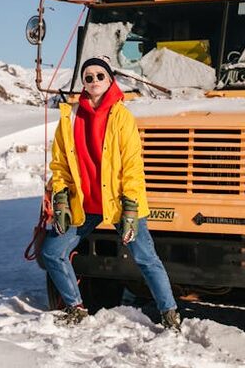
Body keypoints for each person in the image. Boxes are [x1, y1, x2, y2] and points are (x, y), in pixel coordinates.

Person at [40, 57, 181, 330]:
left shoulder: (121, 117)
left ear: (110, 80)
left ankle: (170, 313)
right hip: (84, 203)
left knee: (145, 258)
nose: (94, 82)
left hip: (118, 202)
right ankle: (76, 307)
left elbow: (132, 166)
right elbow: (59, 164)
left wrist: (130, 208)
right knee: (52, 251)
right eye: (88, 77)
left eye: (99, 76)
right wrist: (60, 199)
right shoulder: (69, 118)